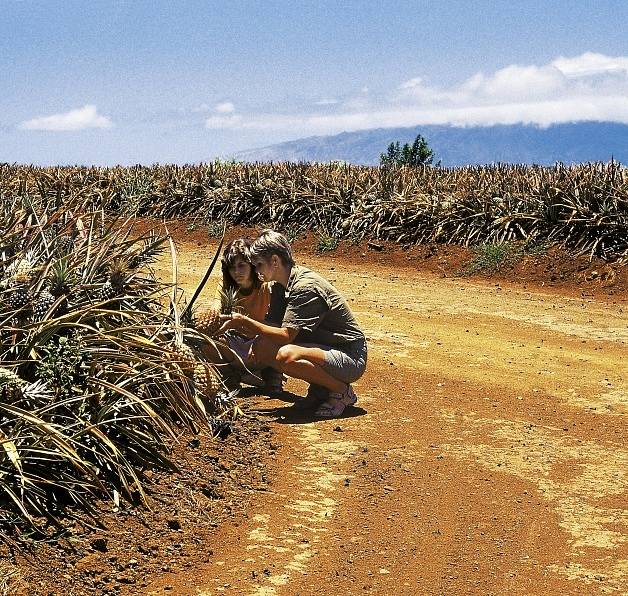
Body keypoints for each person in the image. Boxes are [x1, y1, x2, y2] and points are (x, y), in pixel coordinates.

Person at [219, 230, 367, 418]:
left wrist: (244, 321)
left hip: (350, 356)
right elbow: (271, 326)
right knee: (263, 345)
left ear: (274, 261)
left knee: (287, 356)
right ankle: (320, 391)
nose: (256, 271)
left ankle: (341, 391)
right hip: (325, 349)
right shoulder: (280, 285)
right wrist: (240, 326)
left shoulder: (304, 287)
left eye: (259, 265)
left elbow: (286, 336)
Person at [217, 238, 284, 391]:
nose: (236, 272)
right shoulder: (225, 287)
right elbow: (217, 312)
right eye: (232, 268)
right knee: (208, 342)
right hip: (235, 340)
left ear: (252, 265)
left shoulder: (268, 287)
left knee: (280, 338)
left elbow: (278, 326)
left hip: (260, 342)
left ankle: (268, 372)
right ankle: (237, 374)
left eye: (242, 266)